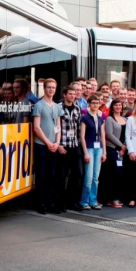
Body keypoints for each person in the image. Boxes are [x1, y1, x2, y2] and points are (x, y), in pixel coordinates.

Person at [31, 79, 63, 215]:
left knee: (52, 175)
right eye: (49, 87)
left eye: (53, 88)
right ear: (44, 89)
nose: (51, 90)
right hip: (41, 146)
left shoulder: (57, 107)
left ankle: (51, 203)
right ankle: (41, 203)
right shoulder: (39, 105)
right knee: (42, 175)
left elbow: (58, 126)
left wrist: (57, 142)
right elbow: (36, 127)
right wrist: (48, 143)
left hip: (53, 145)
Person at [57, 84, 84, 212]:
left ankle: (73, 201)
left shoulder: (78, 108)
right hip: (63, 145)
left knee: (78, 174)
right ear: (64, 95)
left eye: (74, 94)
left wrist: (78, 142)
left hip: (74, 145)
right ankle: (61, 203)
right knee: (61, 177)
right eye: (70, 94)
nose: (73, 96)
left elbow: (78, 127)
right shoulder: (58, 107)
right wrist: (58, 144)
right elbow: (55, 127)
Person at [80, 93, 106, 211]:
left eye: (97, 103)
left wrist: (104, 151)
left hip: (98, 149)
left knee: (96, 177)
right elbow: (82, 136)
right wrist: (85, 152)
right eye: (93, 103)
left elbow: (103, 136)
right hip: (89, 148)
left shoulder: (100, 118)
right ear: (89, 104)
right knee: (89, 177)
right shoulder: (85, 118)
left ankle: (93, 200)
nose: (96, 105)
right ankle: (84, 201)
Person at [100, 98, 127, 208]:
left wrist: (124, 147)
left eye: (119, 105)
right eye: (115, 105)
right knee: (115, 174)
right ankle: (111, 199)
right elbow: (109, 135)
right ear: (112, 107)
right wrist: (121, 145)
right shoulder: (110, 119)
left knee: (120, 175)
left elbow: (127, 134)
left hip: (122, 150)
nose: (118, 107)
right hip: (112, 149)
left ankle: (116, 197)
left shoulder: (126, 119)